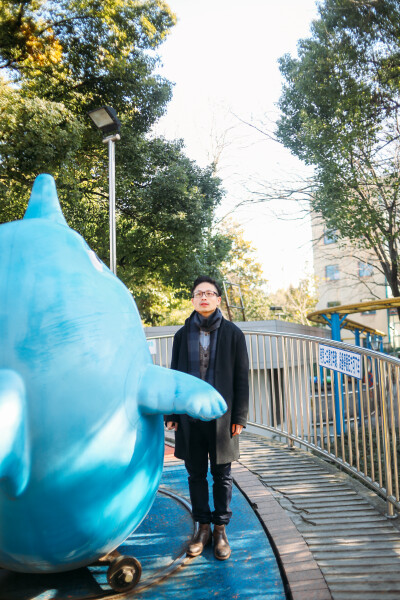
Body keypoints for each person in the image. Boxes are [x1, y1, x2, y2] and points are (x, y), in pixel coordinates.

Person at [165, 275, 249, 561]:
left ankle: (220, 530)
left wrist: (240, 416)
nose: (204, 297)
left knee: (222, 475)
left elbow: (241, 378)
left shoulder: (234, 334)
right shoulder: (181, 335)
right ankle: (202, 527)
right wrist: (172, 412)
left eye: (209, 293)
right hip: (190, 416)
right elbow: (175, 375)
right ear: (192, 300)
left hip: (222, 418)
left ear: (217, 299)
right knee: (196, 474)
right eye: (198, 293)